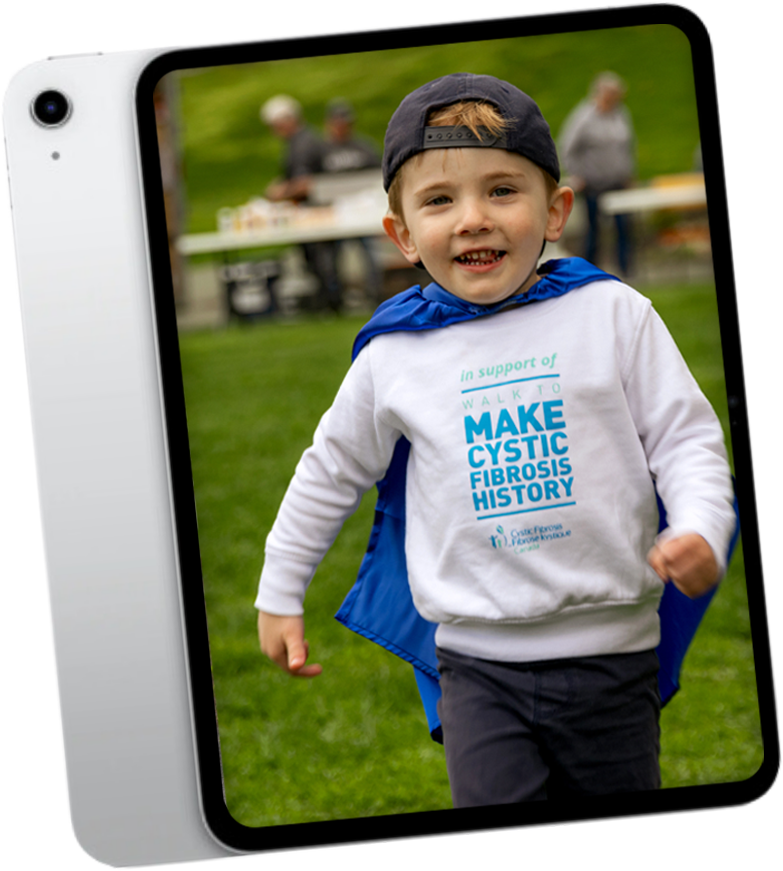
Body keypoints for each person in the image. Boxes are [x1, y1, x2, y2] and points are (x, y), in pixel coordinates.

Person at [255, 74, 736, 807]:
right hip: (476, 662)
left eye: (502, 191)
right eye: (440, 200)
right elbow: (329, 472)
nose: (473, 218)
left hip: (613, 655)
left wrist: (702, 525)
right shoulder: (394, 355)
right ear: (402, 235)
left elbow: (684, 439)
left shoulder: (613, 314)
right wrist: (280, 590)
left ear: (556, 210)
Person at [260, 95, 343, 312]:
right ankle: (328, 302)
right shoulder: (304, 140)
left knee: (322, 261)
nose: (274, 131)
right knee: (320, 261)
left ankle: (330, 303)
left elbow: (305, 183)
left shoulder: (303, 143)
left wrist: (279, 192)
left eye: (275, 125)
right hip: (316, 210)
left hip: (316, 211)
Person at [560, 72, 635, 277]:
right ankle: (589, 272)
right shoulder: (584, 116)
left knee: (624, 228)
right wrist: (575, 174)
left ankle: (625, 271)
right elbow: (567, 147)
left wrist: (629, 173)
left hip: (618, 182)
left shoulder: (620, 114)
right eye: (612, 94)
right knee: (593, 231)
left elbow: (627, 147)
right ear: (601, 93)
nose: (615, 98)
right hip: (593, 184)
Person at [320, 98, 385, 307]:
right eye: (338, 122)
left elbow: (379, 176)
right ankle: (335, 300)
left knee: (370, 255)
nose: (342, 127)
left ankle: (375, 295)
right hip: (333, 214)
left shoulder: (363, 146)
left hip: (361, 213)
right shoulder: (320, 150)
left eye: (345, 122)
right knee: (331, 258)